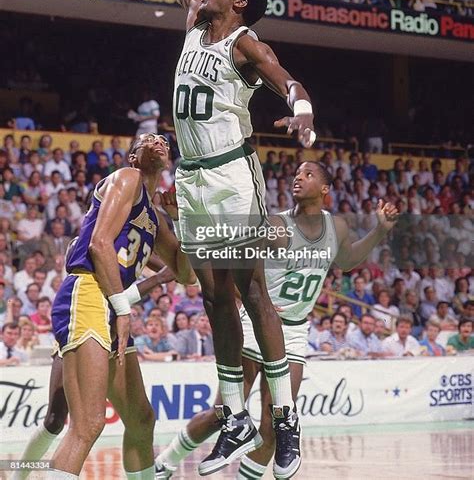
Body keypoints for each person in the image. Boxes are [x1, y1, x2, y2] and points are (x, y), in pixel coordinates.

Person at [145, 0, 317, 478]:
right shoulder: (196, 16)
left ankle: (286, 419)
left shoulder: (244, 42)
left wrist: (301, 113)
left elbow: (286, 77)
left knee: (249, 292)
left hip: (230, 176)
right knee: (214, 294)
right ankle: (236, 414)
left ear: (238, 2)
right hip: (192, 178)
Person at [155, 162, 398, 480]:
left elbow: (348, 260)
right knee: (223, 414)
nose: (298, 177)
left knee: (275, 422)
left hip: (296, 330)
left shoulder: (336, 227)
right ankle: (166, 463)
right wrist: (181, 220)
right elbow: (230, 266)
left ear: (325, 189)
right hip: (259, 325)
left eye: (308, 174)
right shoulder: (273, 226)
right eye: (297, 173)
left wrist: (379, 230)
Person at [48, 133, 195, 479]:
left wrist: (184, 222)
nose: (158, 141)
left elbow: (186, 273)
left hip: (110, 305)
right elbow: (99, 245)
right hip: (89, 292)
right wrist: (124, 309)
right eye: (148, 140)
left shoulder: (156, 217)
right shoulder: (127, 178)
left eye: (163, 139)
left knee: (141, 417)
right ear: (133, 157)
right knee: (87, 423)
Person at [12, 264, 181, 480]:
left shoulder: (142, 237)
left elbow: (173, 263)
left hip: (112, 328)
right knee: (57, 420)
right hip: (84, 322)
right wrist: (158, 278)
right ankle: (18, 476)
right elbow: (111, 297)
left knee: (142, 419)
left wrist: (182, 264)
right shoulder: (96, 243)